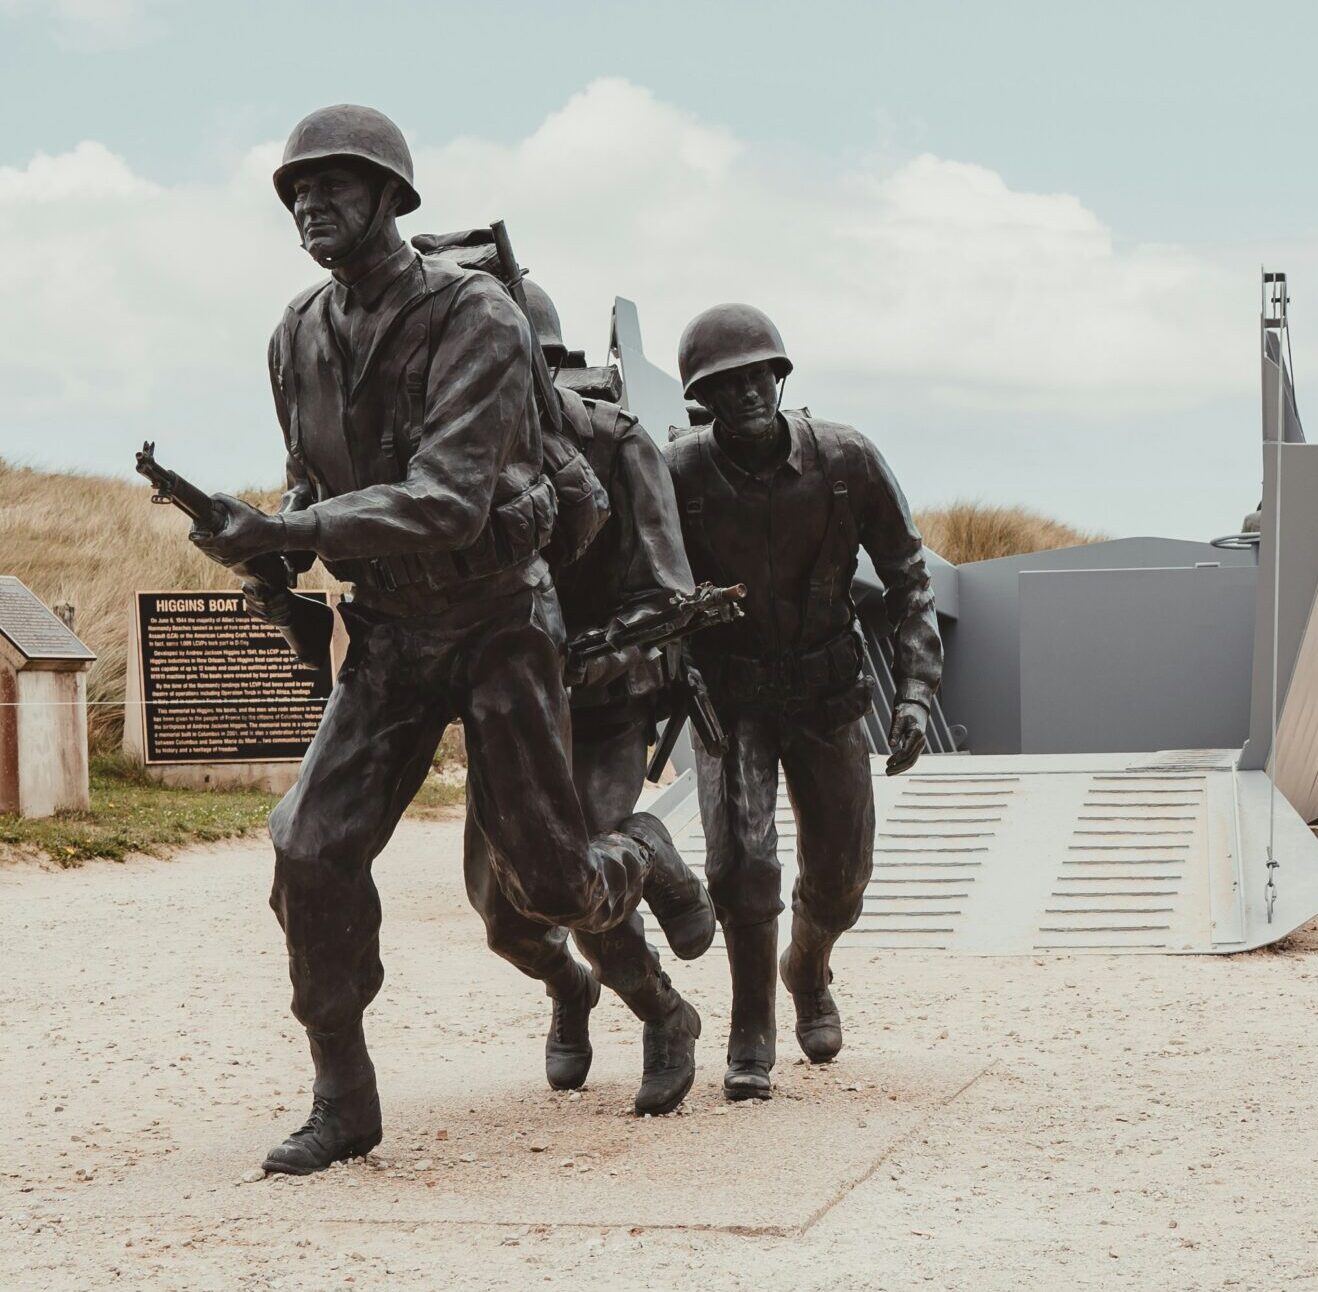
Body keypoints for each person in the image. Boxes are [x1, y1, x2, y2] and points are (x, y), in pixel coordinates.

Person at [189, 104, 713, 1174]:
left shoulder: (476, 314)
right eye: (295, 191)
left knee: (548, 883)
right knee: (307, 848)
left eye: (332, 185)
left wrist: (291, 530)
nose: (309, 205)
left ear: (391, 194)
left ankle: (647, 900)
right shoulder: (296, 331)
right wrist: (266, 543)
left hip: (496, 622)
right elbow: (313, 482)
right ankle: (345, 1097)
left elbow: (450, 498)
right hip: (389, 629)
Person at [663, 303, 942, 1100]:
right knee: (739, 866)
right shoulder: (676, 473)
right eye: (727, 383)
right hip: (731, 697)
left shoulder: (845, 459)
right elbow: (644, 581)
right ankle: (750, 1027)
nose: (748, 393)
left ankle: (808, 968)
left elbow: (907, 578)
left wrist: (915, 690)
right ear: (702, 398)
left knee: (842, 877)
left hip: (825, 694)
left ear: (779, 378)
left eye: (759, 376)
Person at [459, 276, 704, 1116]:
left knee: (578, 876)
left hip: (602, 704)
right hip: (508, 713)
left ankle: (664, 1014)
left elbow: (669, 588)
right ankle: (570, 988)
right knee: (502, 917)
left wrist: (605, 652)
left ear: (543, 361)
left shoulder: (617, 443)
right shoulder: (454, 457)